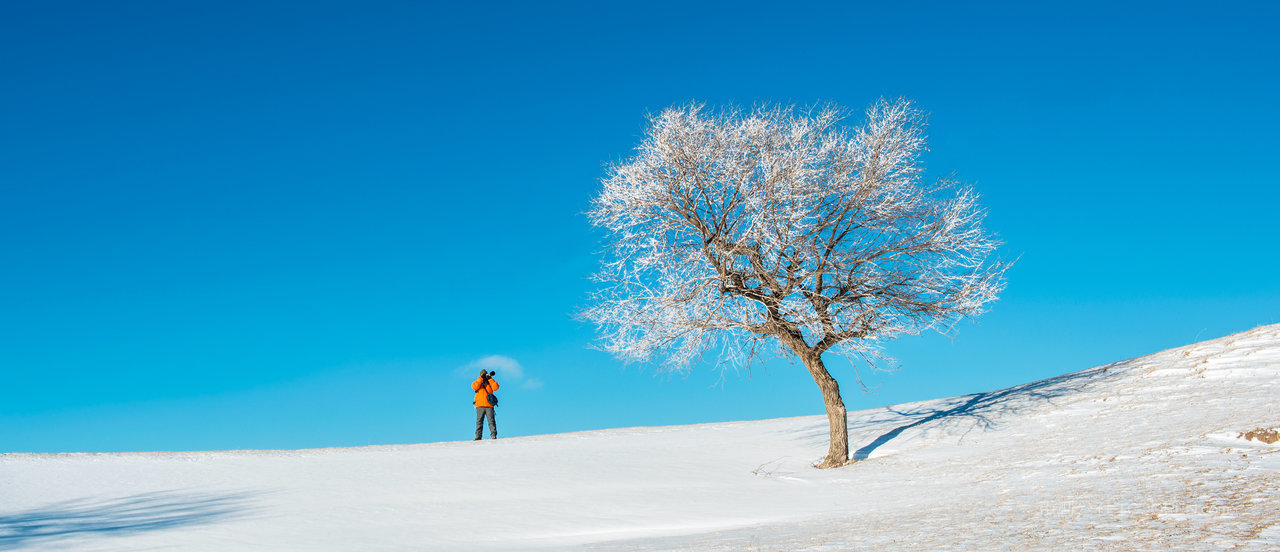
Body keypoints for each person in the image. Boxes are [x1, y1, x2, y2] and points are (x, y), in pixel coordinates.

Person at [472, 369, 499, 440]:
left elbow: (496, 387)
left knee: (491, 421)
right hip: (480, 405)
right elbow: (475, 386)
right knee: (479, 422)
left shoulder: (489, 383)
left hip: (489, 405)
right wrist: (481, 378)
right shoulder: (478, 382)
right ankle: (478, 436)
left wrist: (490, 379)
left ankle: (493, 435)